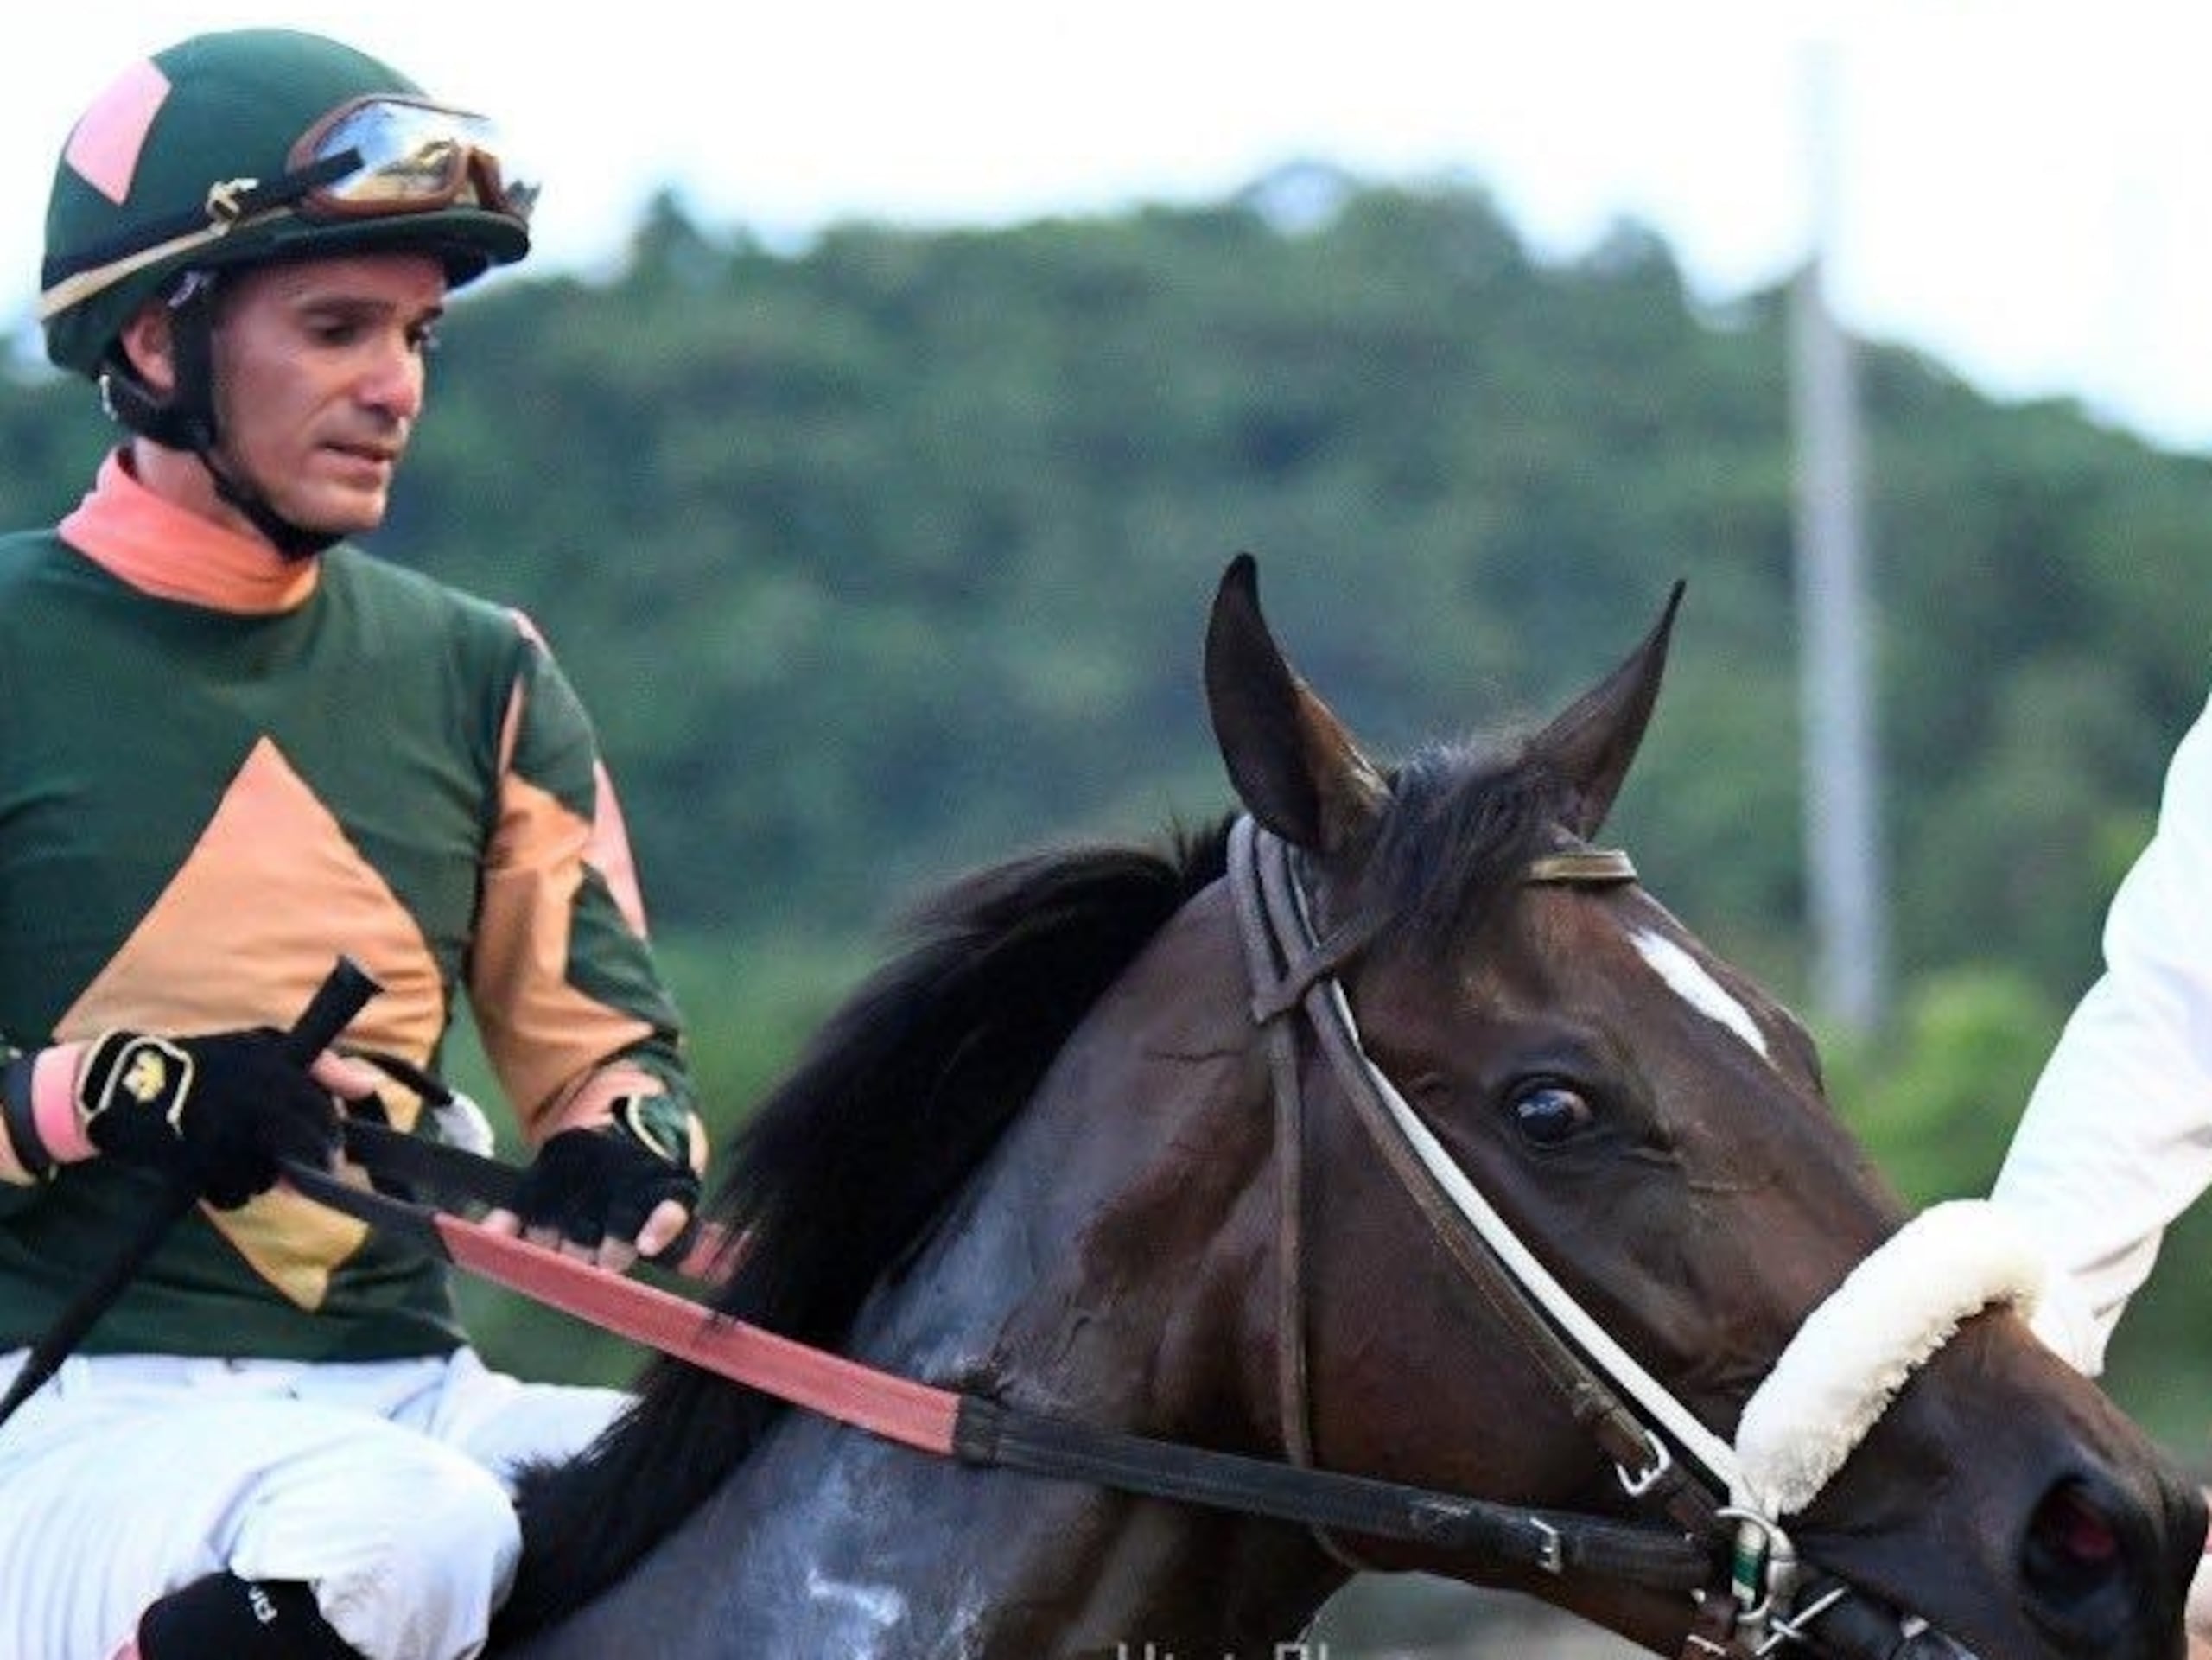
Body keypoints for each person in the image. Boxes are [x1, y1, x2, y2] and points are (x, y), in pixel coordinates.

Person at [0, 27, 709, 1660]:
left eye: (417, 335)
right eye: (335, 328)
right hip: (55, 1416)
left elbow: (608, 1054)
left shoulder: (490, 673)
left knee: (785, 1489)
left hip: (401, 1398)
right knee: (409, 1532)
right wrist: (109, 1090)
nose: (396, 387)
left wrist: (627, 1150)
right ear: (158, 338)